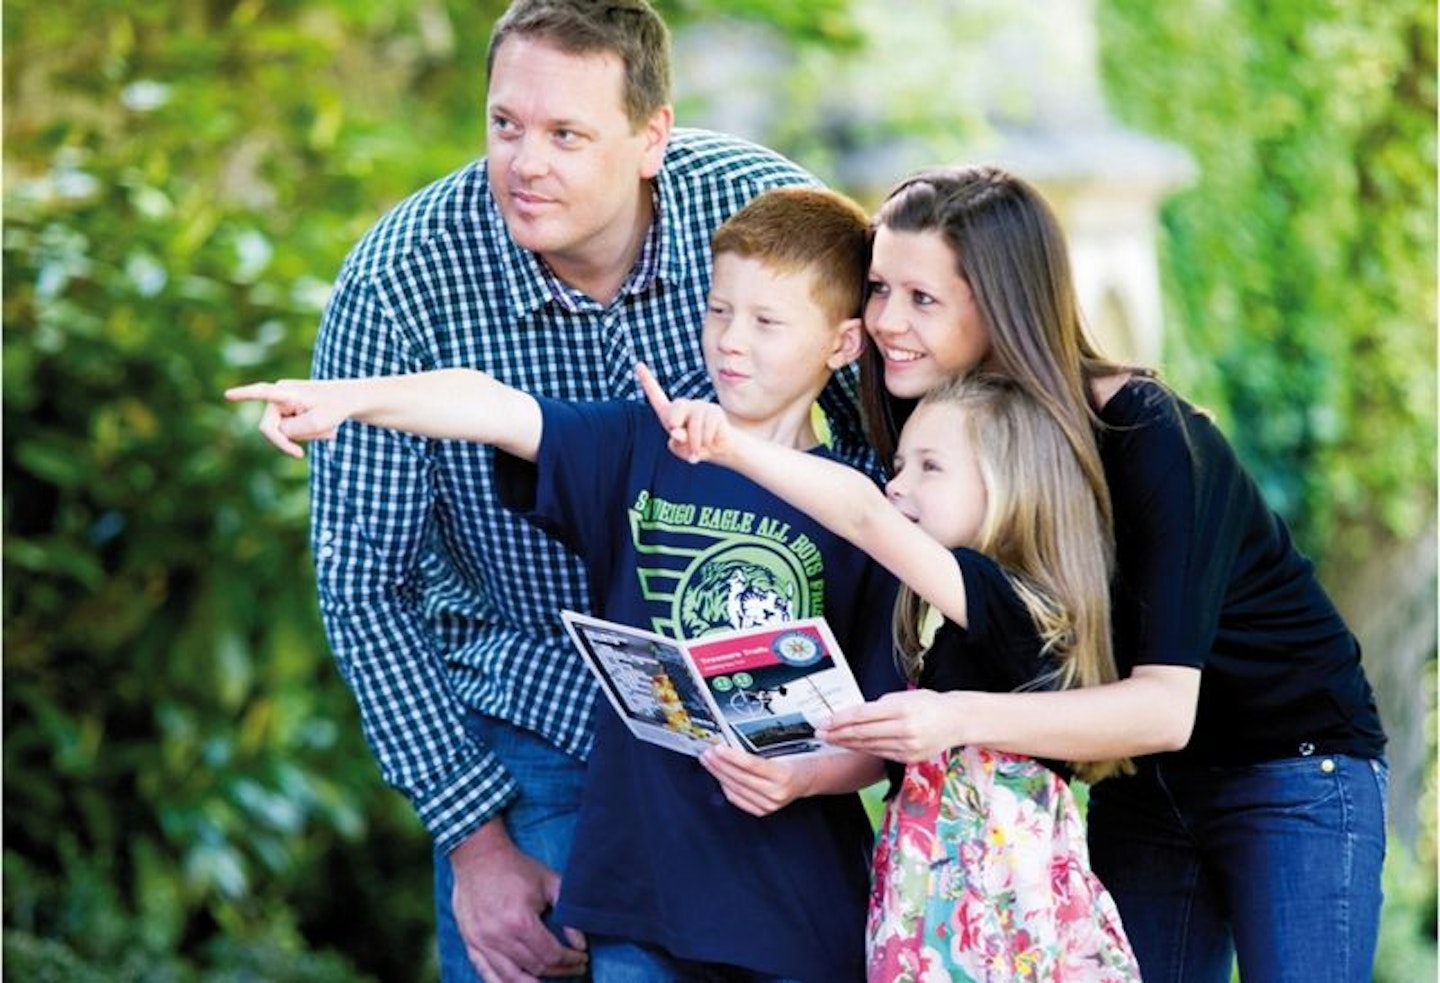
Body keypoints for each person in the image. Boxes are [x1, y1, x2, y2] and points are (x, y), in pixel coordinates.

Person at [276, 0, 873, 979]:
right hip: (533, 716)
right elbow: (364, 585)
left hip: (749, 728)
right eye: (505, 124)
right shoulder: (403, 277)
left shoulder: (763, 221)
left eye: (566, 133)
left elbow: (887, 443)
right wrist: (475, 839)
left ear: (650, 138)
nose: (525, 162)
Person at [819, 164, 1388, 983]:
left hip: (1290, 765)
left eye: (922, 298)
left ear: (1004, 303)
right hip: (1136, 781)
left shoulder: (1144, 431)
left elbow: (1164, 708)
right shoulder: (936, 438)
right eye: (878, 289)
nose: (884, 321)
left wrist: (951, 717)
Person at [641, 365, 1144, 981]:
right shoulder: (945, 620)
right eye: (900, 465)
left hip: (993, 913)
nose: (897, 487)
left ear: (1010, 483)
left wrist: (733, 448)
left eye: (931, 467)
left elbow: (863, 517)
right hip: (930, 899)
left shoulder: (1009, 605)